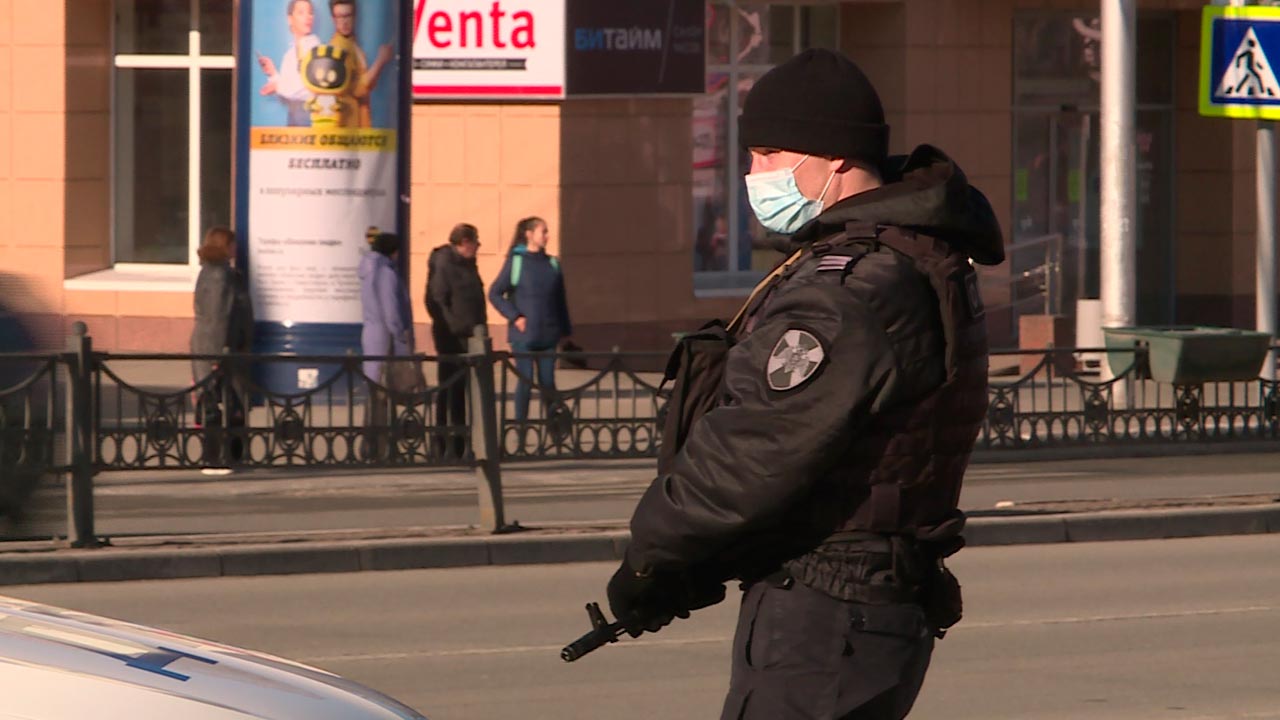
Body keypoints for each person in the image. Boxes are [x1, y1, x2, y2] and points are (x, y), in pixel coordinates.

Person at [603, 49, 1004, 720]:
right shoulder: (908, 257)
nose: (754, 174)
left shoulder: (850, 290)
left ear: (836, 158)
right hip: (856, 601)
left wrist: (652, 556)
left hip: (829, 609)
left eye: (768, 153)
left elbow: (755, 448)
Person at [488, 217, 573, 422]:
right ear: (529, 234)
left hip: (548, 335)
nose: (547, 236)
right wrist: (515, 316)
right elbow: (495, 293)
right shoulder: (516, 262)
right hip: (524, 336)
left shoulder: (552, 264)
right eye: (543, 231)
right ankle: (521, 431)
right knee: (525, 382)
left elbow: (560, 300)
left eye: (546, 231)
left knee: (548, 383)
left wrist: (565, 331)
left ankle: (556, 433)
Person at [190, 227, 254, 476]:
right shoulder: (219, 276)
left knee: (224, 400)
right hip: (219, 347)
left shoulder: (214, 272)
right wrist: (217, 356)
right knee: (220, 400)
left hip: (219, 345)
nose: (236, 249)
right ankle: (217, 458)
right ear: (224, 246)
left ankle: (231, 455)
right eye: (233, 244)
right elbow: (218, 317)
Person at [425, 223, 486, 458]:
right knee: (448, 388)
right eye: (476, 242)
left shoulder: (468, 265)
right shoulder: (444, 264)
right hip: (450, 336)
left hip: (470, 336)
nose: (478, 247)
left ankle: (461, 443)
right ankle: (442, 442)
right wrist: (452, 327)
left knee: (462, 390)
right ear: (464, 243)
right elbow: (436, 300)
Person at [327, 0, 394, 128]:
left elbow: (368, 84)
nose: (344, 22)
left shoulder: (353, 45)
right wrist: (380, 60)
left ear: (354, 16)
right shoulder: (337, 49)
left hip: (360, 127)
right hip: (348, 129)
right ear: (333, 19)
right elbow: (359, 89)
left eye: (348, 16)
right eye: (340, 17)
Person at [258, 0, 320, 127]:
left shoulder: (316, 50)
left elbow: (309, 88)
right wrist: (273, 73)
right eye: (301, 13)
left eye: (310, 13)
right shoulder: (289, 55)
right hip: (294, 120)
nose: (308, 17)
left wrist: (277, 86)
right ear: (290, 19)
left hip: (311, 118)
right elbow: (288, 95)